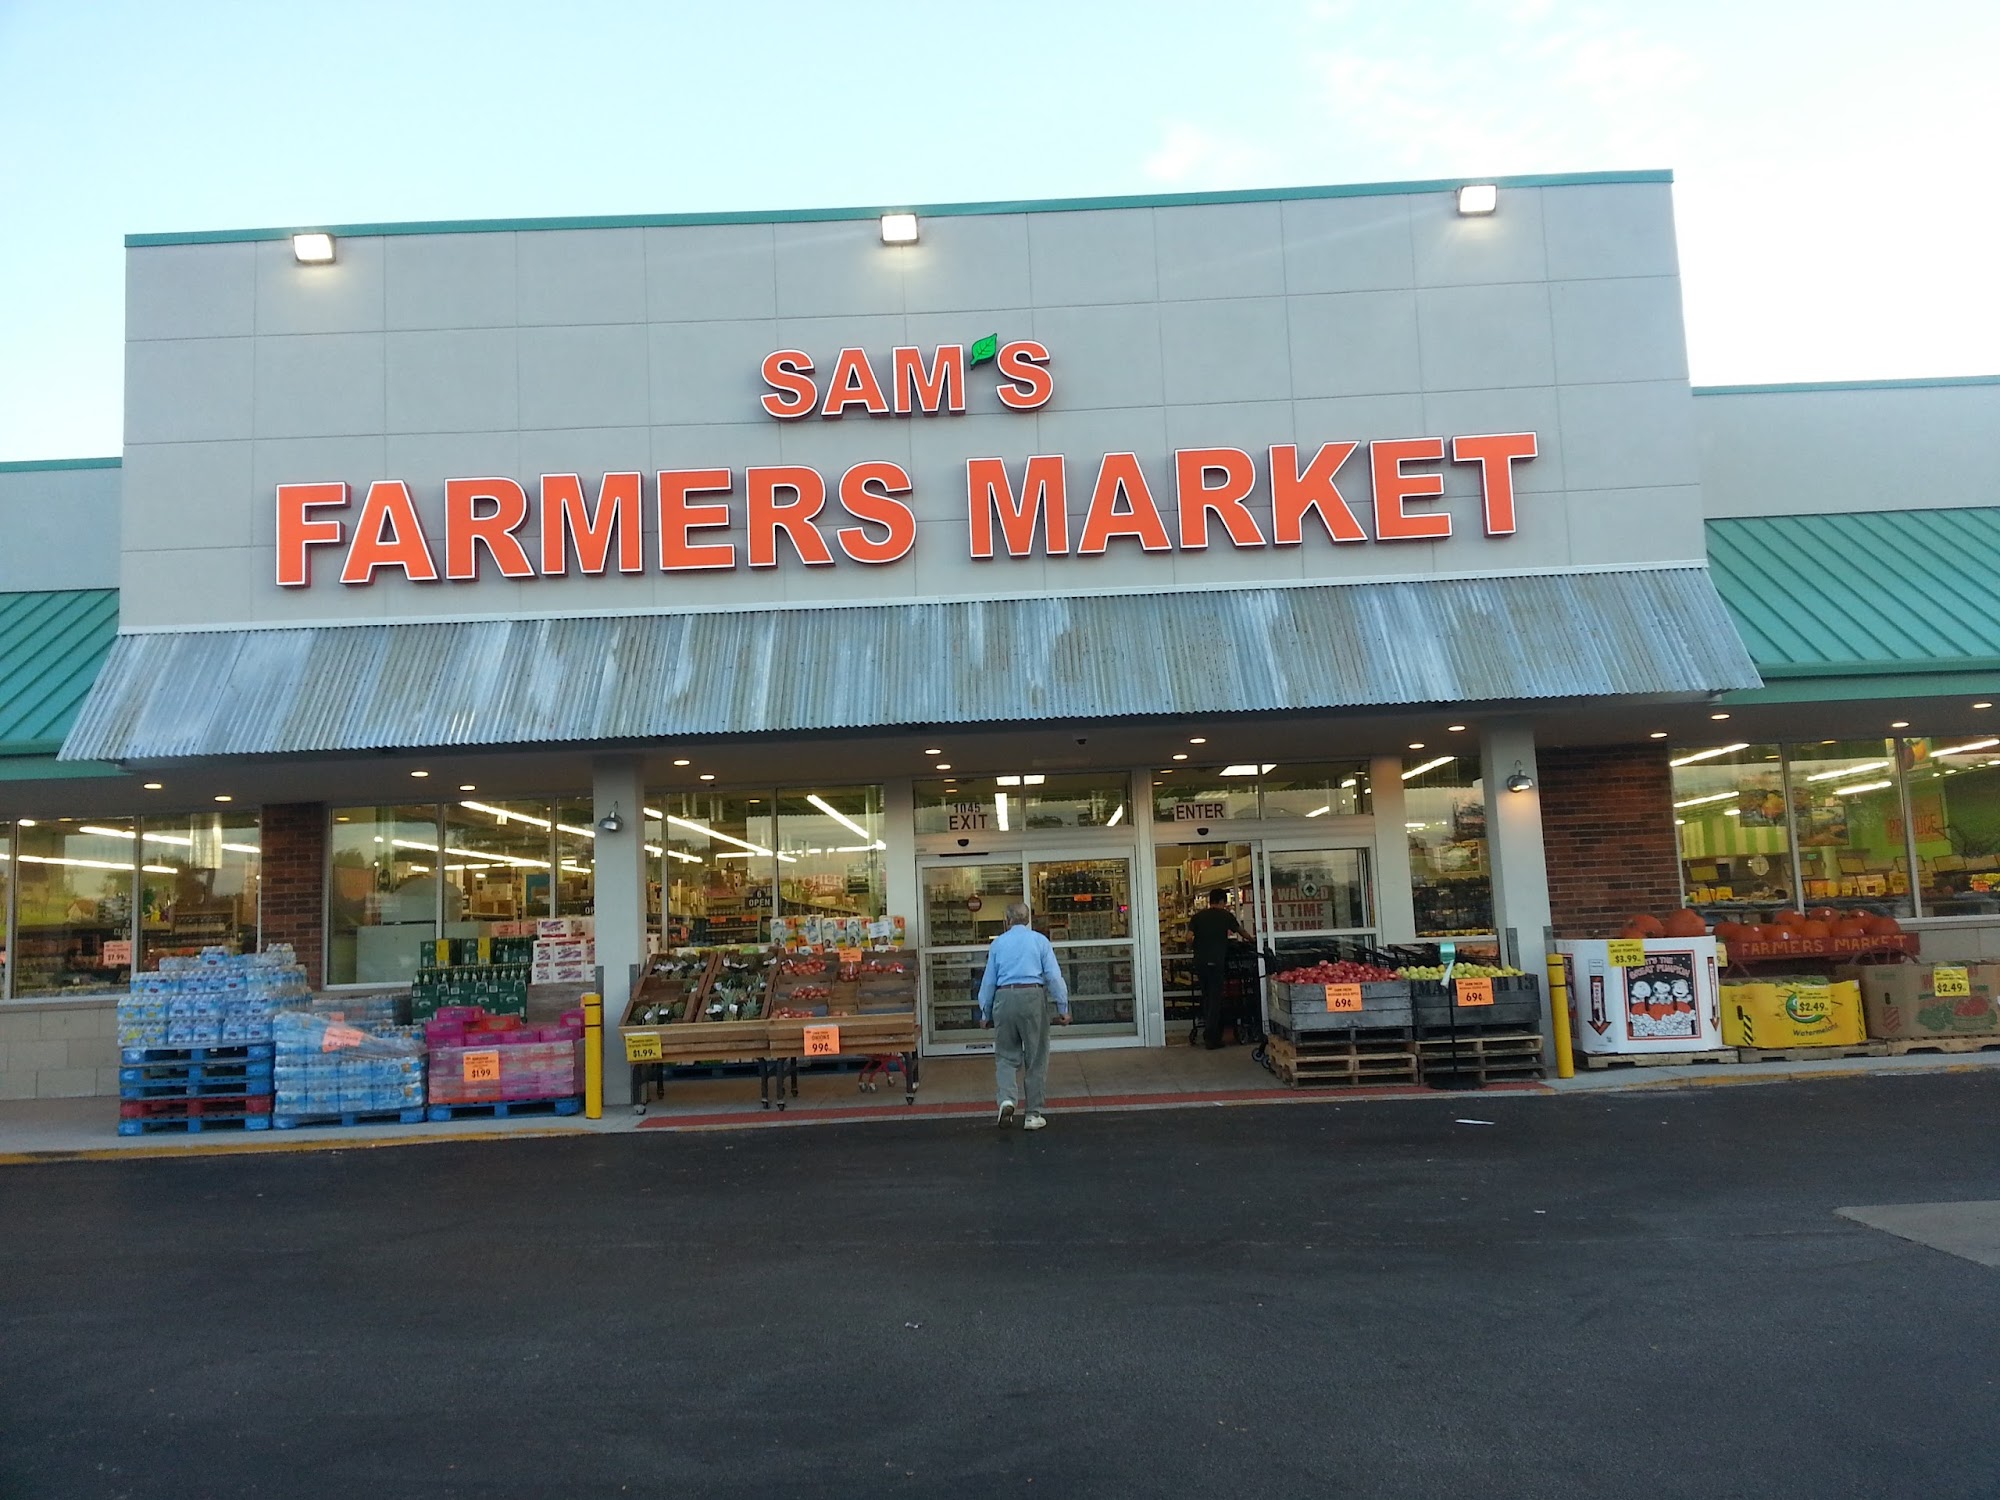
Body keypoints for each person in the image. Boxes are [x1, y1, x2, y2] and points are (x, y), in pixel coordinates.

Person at [977, 901, 1070, 1131]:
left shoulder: (998, 944)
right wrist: (1063, 1007)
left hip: (1004, 997)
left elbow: (988, 981)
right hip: (1032, 997)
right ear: (1028, 919)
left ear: (1007, 920)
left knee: (1005, 1056)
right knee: (1036, 1056)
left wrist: (985, 1011)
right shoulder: (1040, 941)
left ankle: (1007, 1100)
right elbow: (1054, 977)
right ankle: (1032, 1114)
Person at [1189, 889, 1246, 1049]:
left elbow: (1189, 937)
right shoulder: (1225, 916)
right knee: (1215, 998)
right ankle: (1211, 1037)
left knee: (1207, 996)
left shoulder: (1198, 917)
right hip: (1216, 962)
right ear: (1222, 901)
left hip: (1200, 962)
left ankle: (1210, 1031)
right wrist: (1253, 940)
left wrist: (1193, 947)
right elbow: (1241, 931)